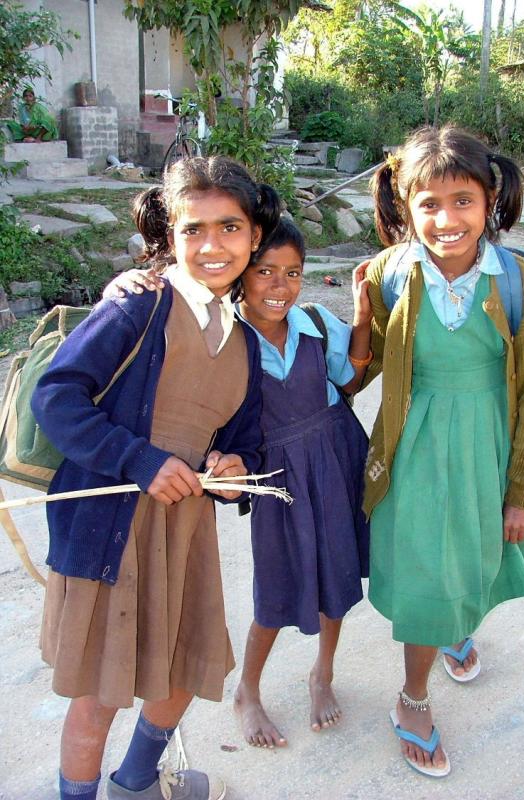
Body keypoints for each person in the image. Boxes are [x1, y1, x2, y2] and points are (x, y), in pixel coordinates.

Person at [31, 155, 281, 800]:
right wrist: (140, 461)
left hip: (183, 534)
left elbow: (242, 440)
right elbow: (57, 396)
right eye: (193, 229)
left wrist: (234, 469)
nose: (212, 245)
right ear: (171, 235)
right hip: (110, 531)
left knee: (185, 671)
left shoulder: (245, 340)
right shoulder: (137, 306)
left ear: (254, 235)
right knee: (99, 696)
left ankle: (137, 783)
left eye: (230, 228)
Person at [105, 218, 373, 749]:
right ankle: (247, 690)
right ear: (241, 275)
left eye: (293, 273)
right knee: (276, 586)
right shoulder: (226, 339)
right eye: (266, 271)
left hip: (336, 460)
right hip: (277, 480)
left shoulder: (316, 323)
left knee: (338, 573)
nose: (280, 286)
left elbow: (350, 379)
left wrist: (362, 316)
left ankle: (323, 673)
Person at [348, 125, 524, 778]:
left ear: (490, 199)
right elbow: (357, 376)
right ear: (405, 206)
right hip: (412, 454)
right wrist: (359, 315)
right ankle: (412, 699)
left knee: (471, 554)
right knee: (425, 575)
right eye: (429, 204)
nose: (447, 220)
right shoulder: (388, 275)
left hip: (484, 450)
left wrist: (522, 490)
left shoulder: (519, 283)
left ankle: (456, 628)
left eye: (463, 200)